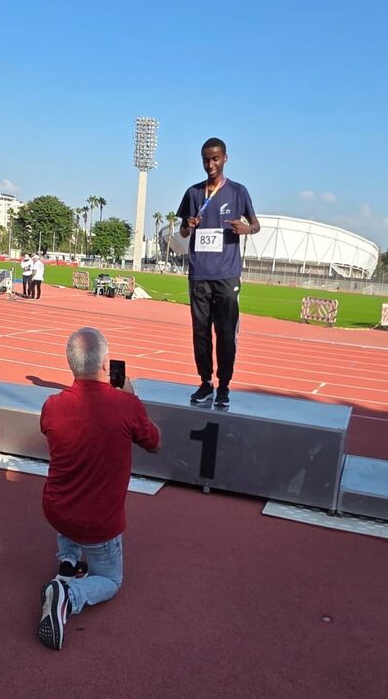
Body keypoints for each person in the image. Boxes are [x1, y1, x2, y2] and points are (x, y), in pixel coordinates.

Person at [38, 327, 161, 650]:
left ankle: (68, 560)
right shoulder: (126, 406)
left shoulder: (51, 405)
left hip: (56, 510)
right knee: (110, 580)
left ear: (71, 365)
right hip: (98, 523)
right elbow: (154, 443)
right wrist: (132, 399)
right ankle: (70, 594)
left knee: (70, 491)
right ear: (106, 364)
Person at [177, 138, 260, 408]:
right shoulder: (193, 193)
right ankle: (205, 383)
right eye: (206, 159)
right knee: (200, 334)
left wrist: (245, 229)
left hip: (226, 275)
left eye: (215, 159)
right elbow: (183, 232)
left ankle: (224, 386)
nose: (210, 164)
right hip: (199, 274)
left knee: (225, 334)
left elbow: (256, 224)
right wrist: (188, 226)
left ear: (225, 158)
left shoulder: (237, 192)